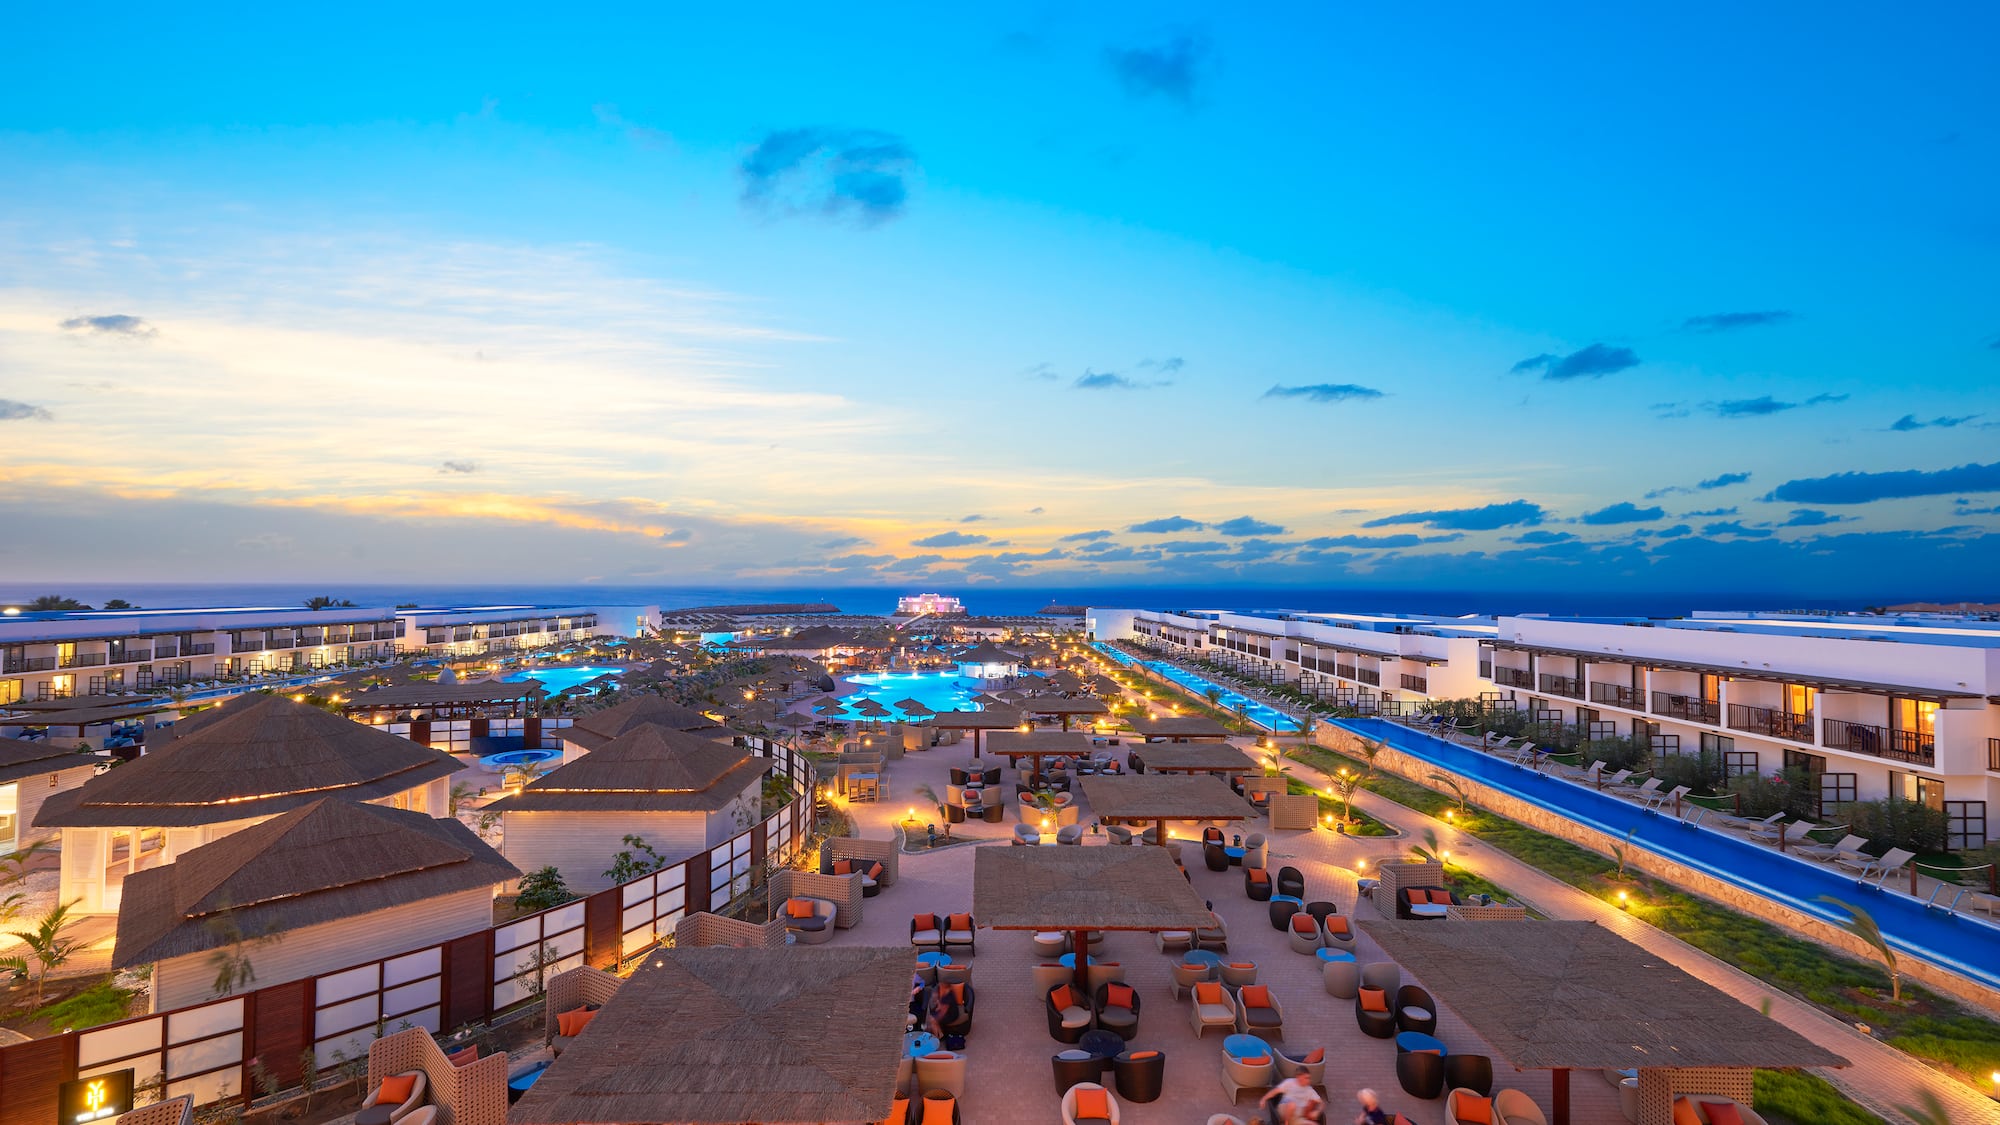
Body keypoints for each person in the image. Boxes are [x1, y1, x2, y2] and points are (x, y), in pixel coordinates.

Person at [1258, 1072, 1325, 1124]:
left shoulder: (1309, 1090)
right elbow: (1274, 1091)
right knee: (1292, 1105)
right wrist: (1264, 1099)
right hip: (1285, 1110)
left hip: (1297, 1117)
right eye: (1305, 1078)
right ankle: (1286, 1123)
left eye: (1308, 1078)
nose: (1308, 1080)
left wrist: (1317, 1111)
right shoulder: (1289, 1083)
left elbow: (1321, 1103)